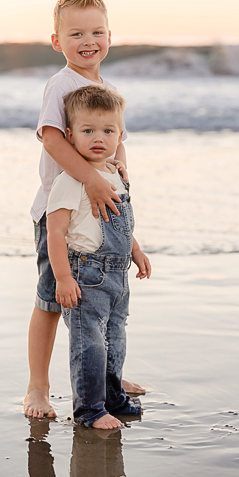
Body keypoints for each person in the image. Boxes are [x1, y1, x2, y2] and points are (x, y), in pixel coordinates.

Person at [24, 0, 144, 419]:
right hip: (61, 211)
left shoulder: (106, 87)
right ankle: (38, 386)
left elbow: (118, 139)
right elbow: (53, 139)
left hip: (100, 210)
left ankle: (106, 376)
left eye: (96, 31)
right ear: (57, 42)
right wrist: (92, 179)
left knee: (103, 302)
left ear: (110, 35)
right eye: (75, 34)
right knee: (52, 301)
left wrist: (118, 173)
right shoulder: (60, 84)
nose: (87, 41)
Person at [47, 85, 150, 428]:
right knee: (89, 344)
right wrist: (63, 277)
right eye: (87, 130)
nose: (98, 138)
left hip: (118, 275)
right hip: (86, 276)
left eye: (107, 131)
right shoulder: (71, 180)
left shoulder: (116, 174)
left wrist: (135, 250)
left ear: (120, 134)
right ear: (69, 135)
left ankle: (112, 396)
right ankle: (89, 409)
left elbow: (119, 222)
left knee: (115, 338)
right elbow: (57, 232)